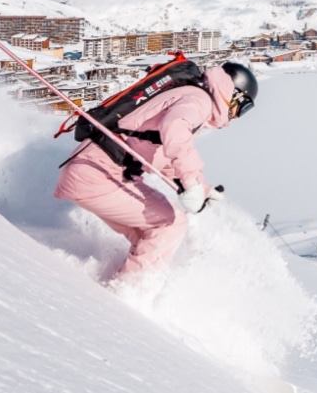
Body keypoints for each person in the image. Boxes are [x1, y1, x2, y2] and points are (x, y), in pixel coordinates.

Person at [54, 61, 258, 279]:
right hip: (100, 174)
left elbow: (162, 156)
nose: (236, 116)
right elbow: (175, 131)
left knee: (152, 238)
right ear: (234, 94)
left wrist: (200, 187)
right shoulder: (199, 101)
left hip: (93, 170)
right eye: (243, 107)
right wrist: (190, 183)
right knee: (170, 224)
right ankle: (129, 292)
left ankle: (118, 287)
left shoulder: (191, 96)